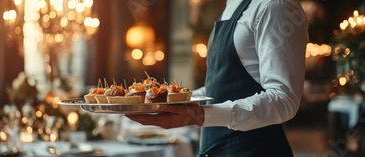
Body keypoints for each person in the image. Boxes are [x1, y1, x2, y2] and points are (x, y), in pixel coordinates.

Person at [126, 0, 308, 156]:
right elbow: (220, 85)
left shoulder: (274, 6)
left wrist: (200, 116)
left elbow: (284, 99)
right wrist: (171, 102)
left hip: (255, 150)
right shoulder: (231, 6)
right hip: (212, 149)